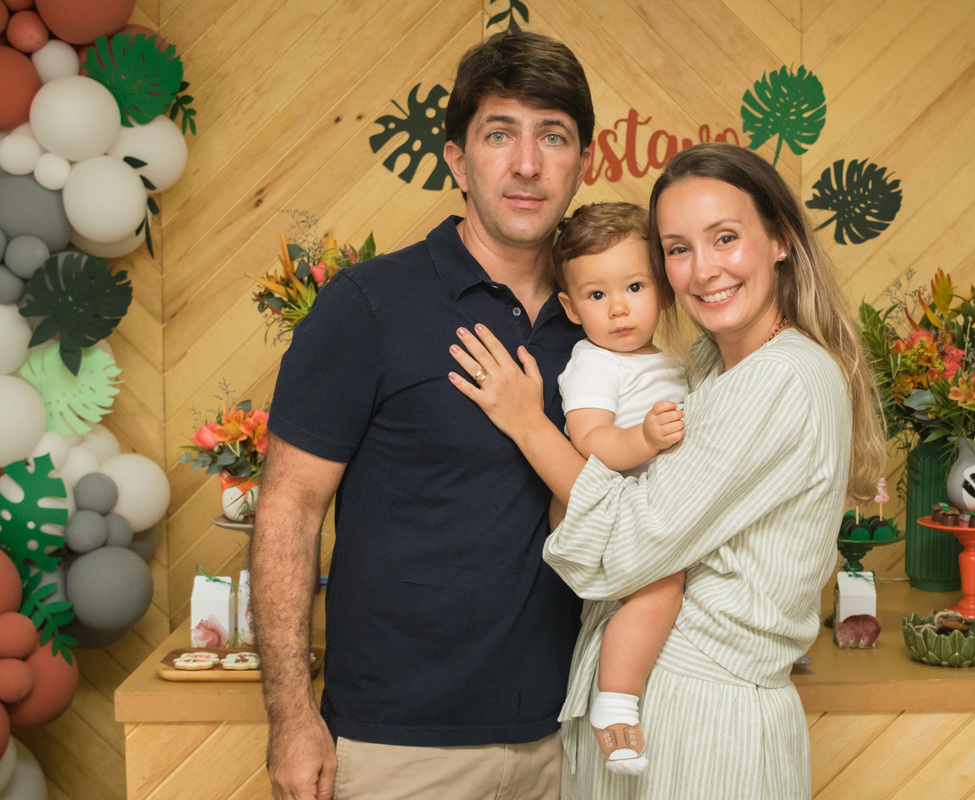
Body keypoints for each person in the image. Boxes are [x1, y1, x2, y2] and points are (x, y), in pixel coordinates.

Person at [448, 142, 885, 798]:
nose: (703, 270)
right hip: (651, 708)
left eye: (726, 238)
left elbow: (632, 545)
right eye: (678, 249)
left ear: (780, 241)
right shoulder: (708, 366)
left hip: (709, 720)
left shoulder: (782, 378)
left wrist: (527, 422)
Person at [251, 30, 594, 800]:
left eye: (553, 137)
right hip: (395, 746)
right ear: (456, 160)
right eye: (499, 134)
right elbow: (289, 509)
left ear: (585, 164)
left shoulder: (602, 322)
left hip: (565, 736)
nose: (527, 164)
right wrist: (291, 712)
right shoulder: (368, 306)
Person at [551, 202, 688, 775]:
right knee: (662, 583)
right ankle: (615, 703)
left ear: (662, 287)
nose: (620, 308)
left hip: (641, 506)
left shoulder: (673, 360)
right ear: (570, 307)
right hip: (596, 512)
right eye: (597, 296)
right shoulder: (594, 362)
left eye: (634, 286)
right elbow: (588, 439)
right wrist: (645, 438)